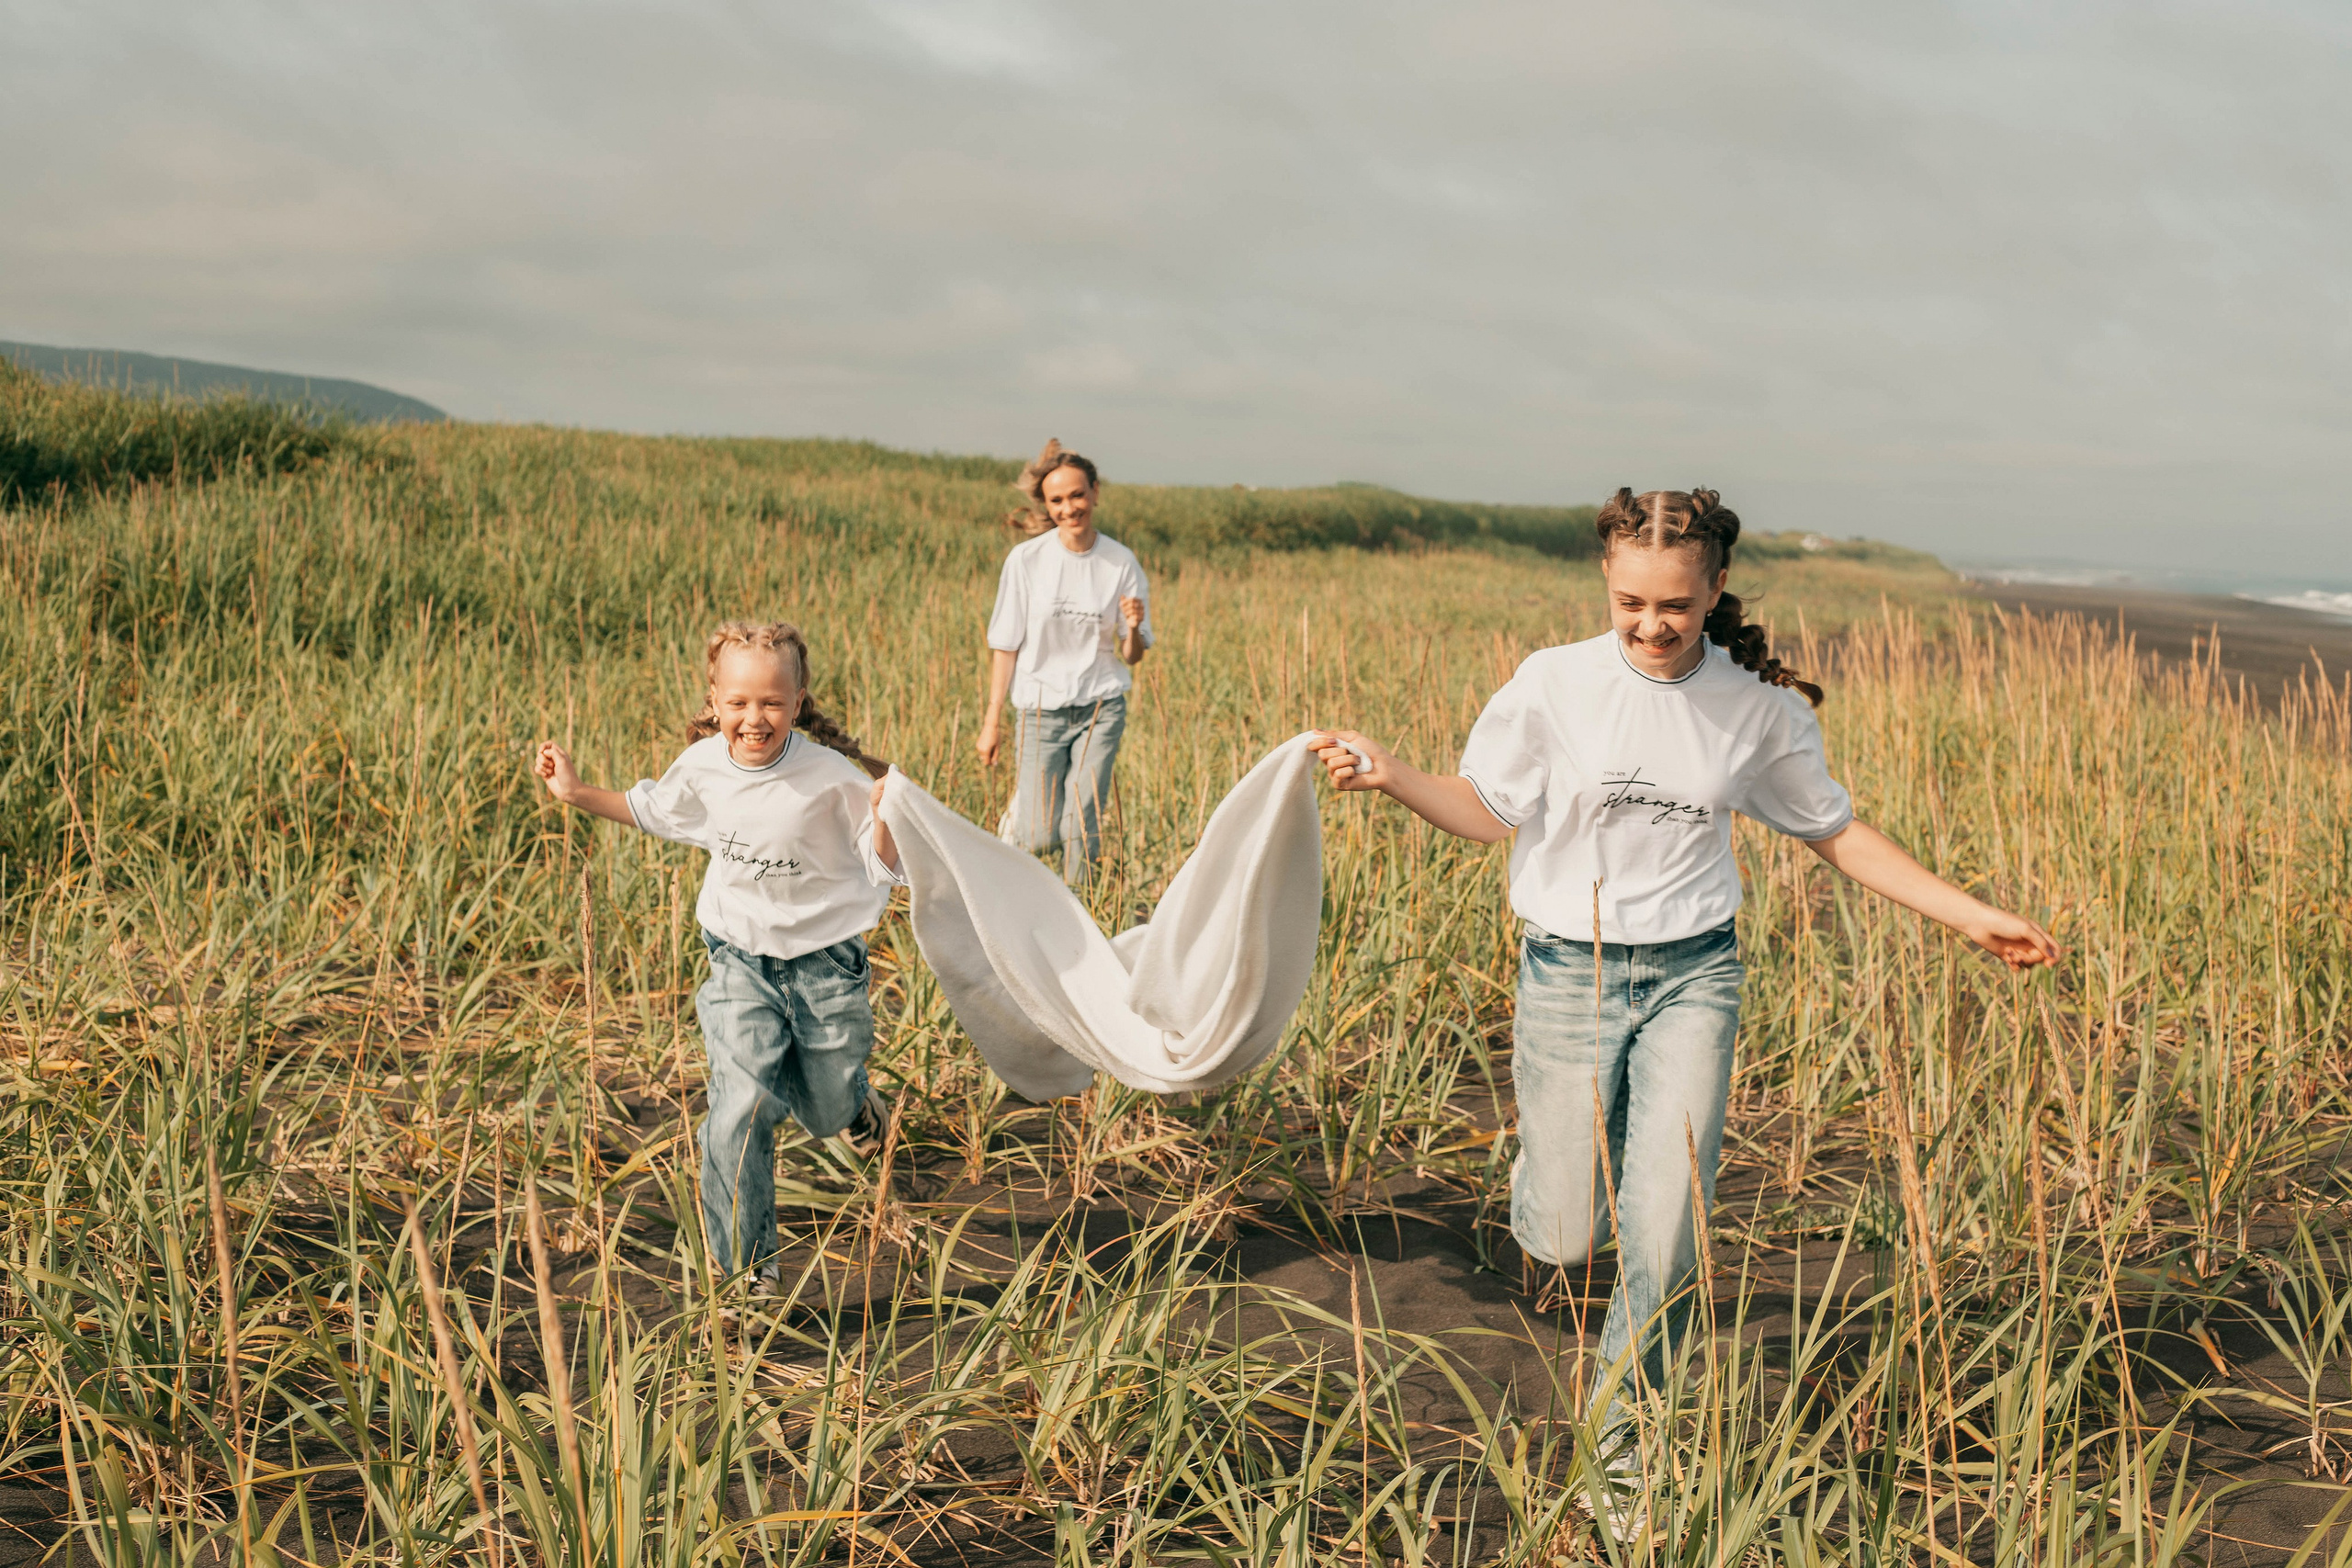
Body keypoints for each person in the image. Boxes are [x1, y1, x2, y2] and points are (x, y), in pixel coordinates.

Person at [1310, 488, 2058, 1440]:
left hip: (1692, 978)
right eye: (1630, 603)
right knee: (1564, 1234)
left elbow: (1837, 834)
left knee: (1664, 1234)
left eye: (1673, 605)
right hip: (1567, 973)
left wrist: (1971, 915)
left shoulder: (1755, 711)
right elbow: (1487, 811)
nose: (1650, 625)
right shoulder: (1551, 683)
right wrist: (1391, 776)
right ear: (1606, 583)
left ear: (1716, 589)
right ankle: (1545, 1187)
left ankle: (1623, 1436)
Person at [535, 621, 906, 1292]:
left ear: (798, 699)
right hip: (739, 962)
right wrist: (576, 791)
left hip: (825, 967)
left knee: (823, 1111)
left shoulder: (830, 777)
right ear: (714, 698)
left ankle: (856, 1109)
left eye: (770, 701)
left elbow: (882, 865)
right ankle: (746, 1277)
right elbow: (655, 810)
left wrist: (884, 813)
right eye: (738, 702)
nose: (753, 718)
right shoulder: (704, 763)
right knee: (738, 1108)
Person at [978, 442, 1152, 886]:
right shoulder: (1027, 561)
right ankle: (1018, 829)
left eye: (1077, 495)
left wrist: (1132, 627)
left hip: (1100, 707)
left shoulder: (1120, 562)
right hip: (1039, 712)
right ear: (1046, 505)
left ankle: (1082, 917)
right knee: (1036, 836)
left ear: (1095, 492)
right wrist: (992, 721)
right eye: (1057, 500)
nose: (1069, 508)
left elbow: (1132, 654)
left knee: (1079, 825)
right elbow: (1006, 645)